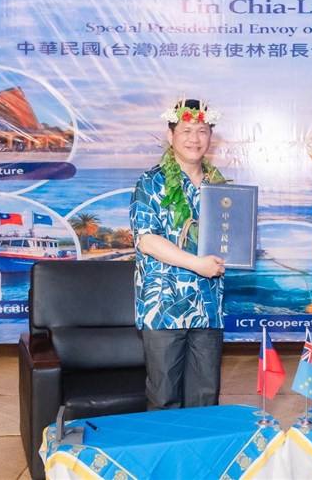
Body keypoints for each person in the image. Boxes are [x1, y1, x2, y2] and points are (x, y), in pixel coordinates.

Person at [130, 98, 227, 410]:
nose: (194, 139)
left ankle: (202, 459)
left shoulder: (218, 185)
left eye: (201, 131)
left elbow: (228, 237)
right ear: (170, 135)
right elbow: (147, 240)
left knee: (205, 398)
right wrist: (196, 264)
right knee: (163, 398)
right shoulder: (151, 182)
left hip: (208, 305)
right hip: (164, 307)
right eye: (186, 130)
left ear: (210, 137)